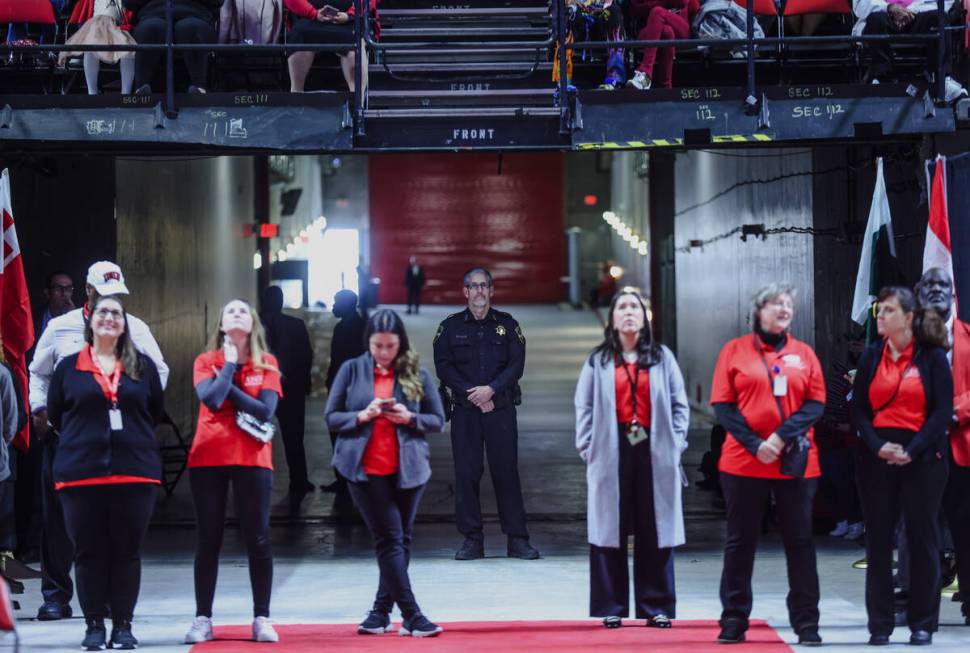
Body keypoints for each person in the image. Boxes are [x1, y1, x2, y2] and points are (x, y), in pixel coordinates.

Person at [28, 261, 168, 623]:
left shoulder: (135, 328)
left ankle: (105, 600)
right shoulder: (60, 328)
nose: (111, 304)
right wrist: (40, 411)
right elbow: (38, 373)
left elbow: (158, 373)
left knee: (109, 526)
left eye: (117, 297)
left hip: (118, 446)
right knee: (57, 523)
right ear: (87, 292)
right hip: (69, 441)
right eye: (104, 295)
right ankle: (56, 596)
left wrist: (137, 415)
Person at [710, 283, 825, 646]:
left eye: (789, 304)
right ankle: (733, 618)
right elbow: (723, 406)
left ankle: (807, 623)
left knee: (800, 542)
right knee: (740, 541)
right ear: (758, 311)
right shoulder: (734, 351)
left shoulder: (804, 354)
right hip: (744, 461)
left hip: (794, 463)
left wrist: (779, 438)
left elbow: (815, 403)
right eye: (776, 303)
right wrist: (755, 443)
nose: (784, 309)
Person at [325, 309, 446, 637]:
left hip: (408, 469)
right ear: (368, 343)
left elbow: (438, 419)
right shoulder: (352, 370)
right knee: (390, 538)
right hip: (364, 470)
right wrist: (363, 415)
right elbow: (331, 416)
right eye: (377, 346)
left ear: (400, 343)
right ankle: (412, 615)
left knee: (400, 540)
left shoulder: (417, 371)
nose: (383, 352)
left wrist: (409, 417)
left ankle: (379, 613)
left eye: (390, 346)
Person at [574, 288, 689, 628]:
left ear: (644, 317)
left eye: (635, 307)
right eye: (621, 307)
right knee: (611, 527)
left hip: (655, 451)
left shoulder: (662, 358)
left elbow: (680, 405)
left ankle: (656, 606)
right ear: (611, 318)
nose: (628, 312)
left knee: (655, 527)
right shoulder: (598, 361)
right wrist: (588, 447)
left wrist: (676, 443)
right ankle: (612, 605)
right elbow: (585, 407)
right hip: (611, 448)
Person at [850, 286, 952, 646]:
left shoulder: (932, 358)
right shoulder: (872, 356)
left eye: (888, 311)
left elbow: (942, 412)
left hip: (923, 459)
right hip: (878, 461)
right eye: (879, 310)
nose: (880, 316)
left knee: (923, 541)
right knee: (878, 544)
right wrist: (878, 447)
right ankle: (879, 624)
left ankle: (922, 622)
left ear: (908, 318)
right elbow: (859, 409)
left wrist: (913, 448)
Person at [183, 299, 282, 644]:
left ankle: (262, 617)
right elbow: (209, 400)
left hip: (253, 459)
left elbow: (265, 411)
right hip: (208, 458)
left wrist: (228, 388)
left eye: (244, 310)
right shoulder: (204, 361)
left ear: (253, 323)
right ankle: (202, 618)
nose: (237, 314)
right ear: (222, 325)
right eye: (231, 311)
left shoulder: (267, 363)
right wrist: (226, 366)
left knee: (258, 536)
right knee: (208, 539)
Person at [433, 268, 539, 561]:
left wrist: (491, 390)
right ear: (465, 291)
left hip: (500, 411)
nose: (479, 291)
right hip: (466, 412)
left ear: (492, 291)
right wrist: (474, 394)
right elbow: (443, 367)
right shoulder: (450, 327)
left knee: (506, 473)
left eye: (484, 286)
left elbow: (516, 366)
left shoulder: (508, 325)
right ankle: (472, 540)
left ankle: (517, 540)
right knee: (467, 475)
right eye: (474, 286)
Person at [918, 268, 970, 626]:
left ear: (953, 293)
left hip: (961, 446)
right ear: (920, 294)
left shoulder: (969, 337)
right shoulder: (907, 340)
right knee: (920, 531)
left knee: (966, 529)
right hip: (920, 448)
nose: (937, 290)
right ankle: (921, 603)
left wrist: (953, 412)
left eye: (943, 285)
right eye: (930, 285)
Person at [852, 0, 967, 101]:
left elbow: (947, 3)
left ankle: (943, 80)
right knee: (875, 19)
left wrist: (910, 12)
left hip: (919, 13)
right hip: (883, 14)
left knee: (940, 18)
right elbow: (860, 4)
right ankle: (882, 79)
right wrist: (890, 8)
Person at [259, 286, 314, 496]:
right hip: (287, 388)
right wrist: (305, 382)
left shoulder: (253, 327)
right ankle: (298, 480)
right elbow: (306, 357)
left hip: (270, 389)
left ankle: (253, 481)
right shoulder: (295, 326)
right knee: (293, 436)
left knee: (285, 436)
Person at [122, 0, 225, 94]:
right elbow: (129, 3)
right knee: (152, 28)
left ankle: (200, 88)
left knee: (189, 28)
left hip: (196, 14)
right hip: (152, 14)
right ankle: (141, 89)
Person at [322, 289, 366, 493]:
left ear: (347, 305)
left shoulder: (348, 328)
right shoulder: (358, 325)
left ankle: (346, 480)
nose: (333, 306)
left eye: (336, 302)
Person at [284, 0, 377, 93]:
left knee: (356, 41)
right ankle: (296, 92)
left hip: (350, 21)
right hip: (308, 18)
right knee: (300, 34)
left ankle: (357, 100)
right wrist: (313, 13)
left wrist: (350, 15)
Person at [60, 0, 136, 95]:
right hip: (97, 29)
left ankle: (126, 94)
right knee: (91, 45)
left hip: (119, 29)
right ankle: (92, 93)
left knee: (128, 50)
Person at [625, 0, 699, 91]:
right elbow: (634, 11)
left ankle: (645, 73)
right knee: (666, 31)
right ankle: (666, 89)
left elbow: (690, 5)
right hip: (649, 28)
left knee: (657, 12)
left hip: (680, 27)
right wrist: (665, 3)